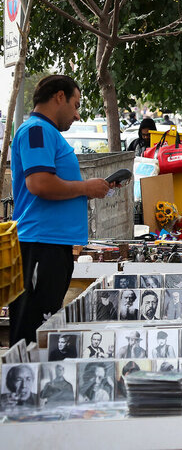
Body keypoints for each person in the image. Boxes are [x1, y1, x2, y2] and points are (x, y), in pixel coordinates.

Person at [9, 75, 112, 345]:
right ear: (59, 97)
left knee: (44, 330)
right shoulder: (37, 131)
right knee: (32, 333)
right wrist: (85, 188)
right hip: (39, 245)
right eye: (75, 104)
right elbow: (40, 183)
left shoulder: (47, 133)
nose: (77, 115)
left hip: (52, 246)